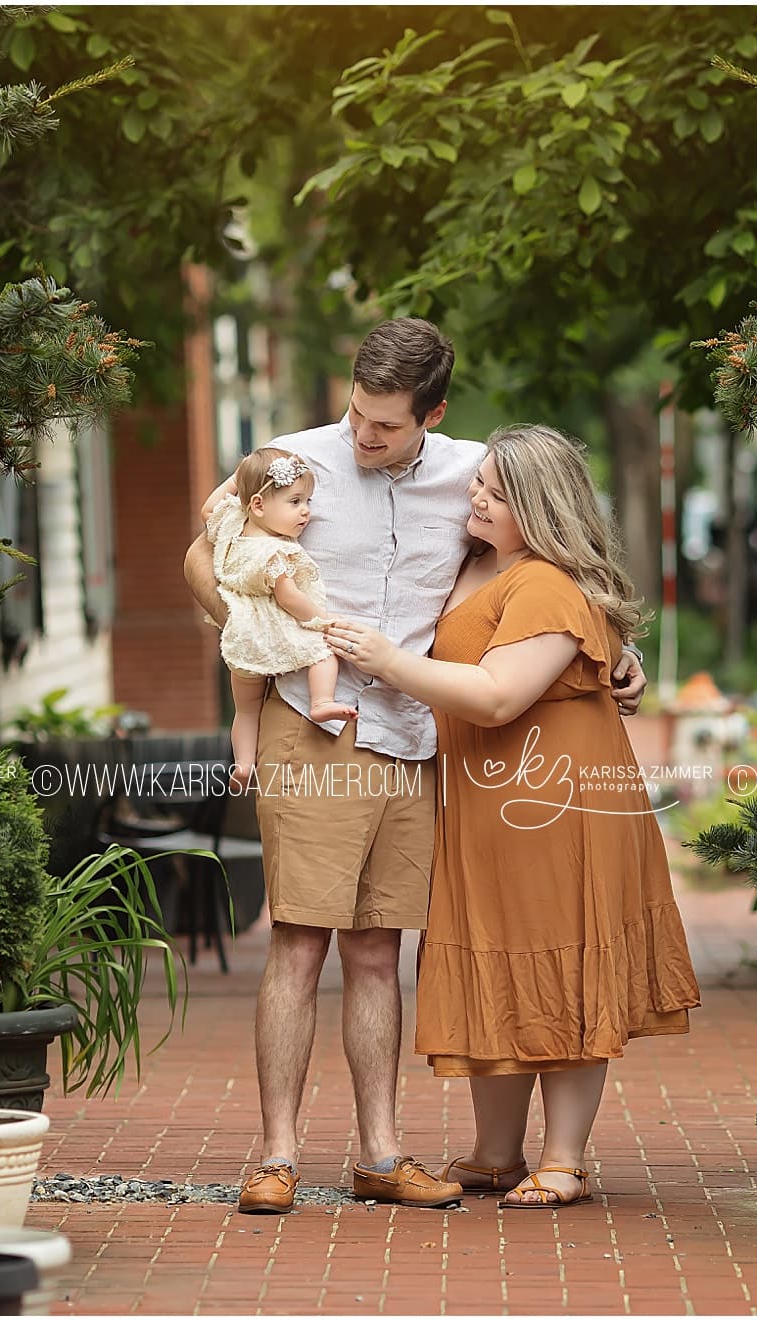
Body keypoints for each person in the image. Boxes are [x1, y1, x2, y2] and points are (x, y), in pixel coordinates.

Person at [182, 318, 649, 1215]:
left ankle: (381, 1154)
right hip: (312, 725)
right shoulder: (286, 461)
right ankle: (276, 1154)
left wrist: (620, 650)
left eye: (387, 425)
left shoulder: (475, 477)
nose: (365, 437)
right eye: (357, 414)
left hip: (419, 737)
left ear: (433, 412)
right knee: (299, 937)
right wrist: (260, 632)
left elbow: (551, 558)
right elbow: (206, 556)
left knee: (374, 949)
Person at [324, 423, 700, 1210]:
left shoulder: (546, 584)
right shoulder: (482, 564)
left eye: (495, 491)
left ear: (540, 504)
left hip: (554, 811)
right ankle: (496, 1151)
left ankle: (564, 1159)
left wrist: (389, 661)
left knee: (559, 961)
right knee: (496, 955)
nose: (476, 496)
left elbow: (498, 694)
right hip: (488, 805)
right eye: (479, 483)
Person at [202, 448, 357, 790]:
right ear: (258, 505)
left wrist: (238, 477)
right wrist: (324, 619)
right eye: (295, 502)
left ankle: (243, 765)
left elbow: (208, 507)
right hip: (275, 629)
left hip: (241, 634)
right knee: (323, 652)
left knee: (246, 709)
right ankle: (321, 702)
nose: (306, 512)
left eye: (308, 502)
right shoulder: (275, 552)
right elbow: (289, 598)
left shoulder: (232, 528)